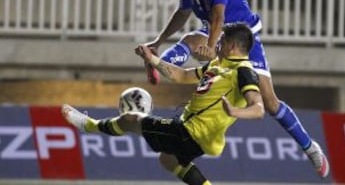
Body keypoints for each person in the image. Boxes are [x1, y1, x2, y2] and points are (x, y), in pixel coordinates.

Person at [143, 0, 330, 178]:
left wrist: (211, 47)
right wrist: (158, 41)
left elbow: (218, 18)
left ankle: (310, 147)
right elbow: (182, 15)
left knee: (270, 103)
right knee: (190, 41)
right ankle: (156, 62)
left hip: (243, 40)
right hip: (219, 36)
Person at [62, 23, 265, 185]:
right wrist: (152, 59)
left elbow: (258, 108)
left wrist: (236, 110)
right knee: (168, 160)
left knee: (131, 119)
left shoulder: (243, 72)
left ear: (232, 46)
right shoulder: (217, 66)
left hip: (190, 133)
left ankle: (89, 125)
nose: (216, 46)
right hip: (194, 133)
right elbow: (182, 75)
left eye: (220, 42)